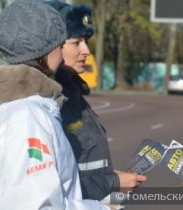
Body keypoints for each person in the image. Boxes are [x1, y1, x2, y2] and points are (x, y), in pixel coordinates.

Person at [0, 0, 109, 209]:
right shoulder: (27, 116)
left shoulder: (26, 108)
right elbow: (39, 205)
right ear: (46, 49)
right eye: (61, 44)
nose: (62, 51)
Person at [45, 0, 147, 201]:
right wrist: (112, 182)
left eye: (87, 42)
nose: (86, 51)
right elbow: (50, 189)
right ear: (52, 46)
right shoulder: (47, 103)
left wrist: (110, 181)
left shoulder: (73, 96)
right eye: (76, 43)